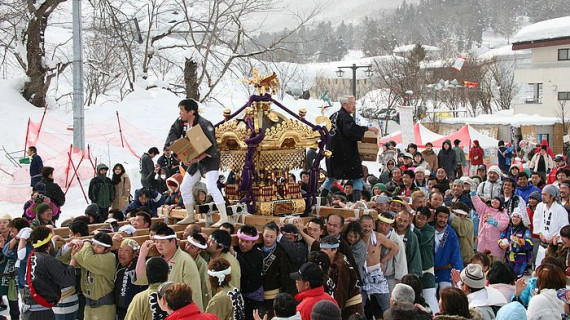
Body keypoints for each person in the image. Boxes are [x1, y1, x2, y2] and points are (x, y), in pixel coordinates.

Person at [164, 99, 227, 226]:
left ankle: (224, 217)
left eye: (182, 110)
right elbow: (173, 134)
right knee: (184, 186)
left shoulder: (204, 124)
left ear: (191, 111)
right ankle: (190, 215)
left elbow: (212, 148)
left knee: (211, 186)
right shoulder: (181, 123)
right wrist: (175, 151)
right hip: (194, 160)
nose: (180, 113)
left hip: (210, 159)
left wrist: (196, 159)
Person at [320, 96, 379, 203]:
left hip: (332, 153)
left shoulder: (334, 115)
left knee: (331, 177)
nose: (354, 106)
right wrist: (367, 128)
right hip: (344, 154)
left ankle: (321, 197)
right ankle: (356, 201)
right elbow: (351, 131)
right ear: (344, 105)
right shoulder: (345, 117)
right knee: (358, 176)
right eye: (352, 104)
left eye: (354, 104)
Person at [136, 225, 204, 310]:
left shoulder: (186, 261)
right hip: (158, 308)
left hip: (178, 311)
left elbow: (194, 293)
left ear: (173, 241)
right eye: (156, 242)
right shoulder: (157, 261)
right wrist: (142, 255)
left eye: (162, 242)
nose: (159, 245)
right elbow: (141, 279)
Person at [69, 233, 116, 320]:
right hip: (88, 306)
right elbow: (75, 256)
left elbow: (87, 259)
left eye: (99, 247)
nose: (94, 248)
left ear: (107, 249)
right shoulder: (89, 255)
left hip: (104, 307)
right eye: (93, 245)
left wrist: (87, 242)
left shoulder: (109, 258)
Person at [361, 214, 399, 319]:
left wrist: (383, 261)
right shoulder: (356, 236)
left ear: (373, 225)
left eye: (369, 226)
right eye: (364, 226)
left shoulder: (378, 237)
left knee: (387, 306)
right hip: (361, 274)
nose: (367, 229)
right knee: (359, 307)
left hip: (376, 274)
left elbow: (395, 248)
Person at [319, 236, 363, 320]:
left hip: (351, 306)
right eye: (321, 249)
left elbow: (341, 290)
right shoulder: (334, 260)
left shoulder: (341, 265)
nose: (322, 252)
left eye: (325, 249)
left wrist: (337, 311)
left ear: (334, 250)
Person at [533, 185, 569, 266]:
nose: (542, 197)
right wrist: (540, 234)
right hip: (542, 242)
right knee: (539, 266)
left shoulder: (560, 210)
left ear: (552, 196)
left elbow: (564, 227)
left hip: (555, 245)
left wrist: (554, 238)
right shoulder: (540, 206)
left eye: (545, 194)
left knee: (552, 268)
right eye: (542, 194)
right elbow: (536, 221)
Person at [258, 222, 290, 314]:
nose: (268, 239)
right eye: (266, 236)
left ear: (277, 236)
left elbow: (284, 276)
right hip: (257, 295)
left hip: (273, 295)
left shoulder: (281, 253)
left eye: (272, 237)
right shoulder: (257, 249)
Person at [234, 225, 263, 320]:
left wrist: (235, 255)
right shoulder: (237, 250)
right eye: (241, 240)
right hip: (240, 294)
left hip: (253, 296)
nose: (243, 244)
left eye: (247, 242)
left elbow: (246, 270)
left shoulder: (257, 254)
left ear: (254, 242)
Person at [413, 207, 438, 313]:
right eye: (418, 217)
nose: (419, 221)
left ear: (427, 220)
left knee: (429, 297)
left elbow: (421, 239)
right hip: (413, 268)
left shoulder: (430, 230)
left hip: (426, 268)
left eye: (423, 218)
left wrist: (411, 227)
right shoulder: (409, 227)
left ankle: (437, 316)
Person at [471, 193, 509, 262]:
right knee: (482, 265)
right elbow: (478, 203)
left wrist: (496, 223)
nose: (494, 201)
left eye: (497, 200)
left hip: (496, 246)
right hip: (483, 244)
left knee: (495, 266)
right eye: (493, 199)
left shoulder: (503, 213)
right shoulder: (485, 209)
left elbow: (504, 225)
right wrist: (474, 195)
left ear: (501, 203)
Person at [433, 206, 463, 293]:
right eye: (440, 216)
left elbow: (456, 254)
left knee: (446, 297)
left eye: (445, 217)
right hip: (430, 270)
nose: (443, 219)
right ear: (435, 216)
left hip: (445, 271)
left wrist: (458, 272)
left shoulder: (451, 233)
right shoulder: (429, 229)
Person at [114, 239, 145, 320]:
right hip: (118, 310)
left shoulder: (139, 267)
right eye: (120, 249)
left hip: (133, 310)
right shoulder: (116, 264)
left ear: (134, 254)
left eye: (127, 250)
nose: (122, 253)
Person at [499, 209, 533, 278]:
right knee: (509, 277)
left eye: (518, 217)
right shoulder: (508, 228)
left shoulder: (525, 230)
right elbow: (501, 238)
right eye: (514, 216)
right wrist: (501, 244)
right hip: (509, 258)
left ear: (521, 219)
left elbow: (529, 244)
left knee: (517, 277)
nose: (515, 219)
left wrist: (519, 241)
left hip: (521, 259)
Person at [394, 210, 422, 277]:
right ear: (395, 218)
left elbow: (415, 257)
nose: (402, 223)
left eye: (405, 221)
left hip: (404, 273)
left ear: (409, 222)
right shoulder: (390, 232)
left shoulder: (412, 237)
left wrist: (413, 275)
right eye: (400, 220)